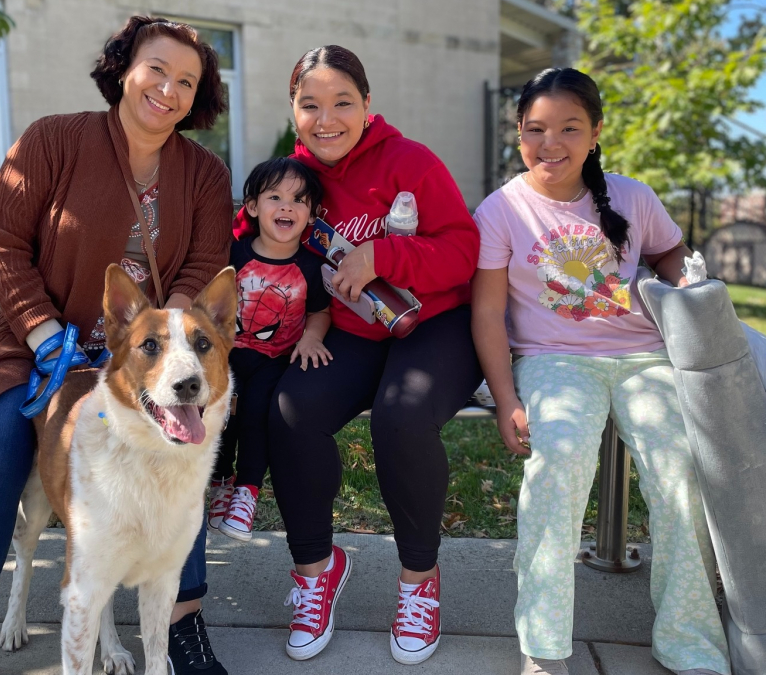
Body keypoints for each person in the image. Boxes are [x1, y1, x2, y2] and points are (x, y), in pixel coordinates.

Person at [0, 17, 233, 675]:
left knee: (180, 437)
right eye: (157, 69)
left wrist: (156, 353)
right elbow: (2, 243)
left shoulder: (204, 173)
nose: (168, 89)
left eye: (186, 81)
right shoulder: (53, 140)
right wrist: (44, 336)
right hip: (31, 346)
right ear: (123, 67)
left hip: (139, 357)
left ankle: (180, 624)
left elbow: (203, 267)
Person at [470, 67, 730, 675]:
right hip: (553, 362)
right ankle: (545, 645)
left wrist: (682, 279)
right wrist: (507, 396)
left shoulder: (633, 196)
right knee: (557, 463)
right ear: (518, 133)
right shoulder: (502, 209)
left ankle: (689, 641)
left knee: (682, 471)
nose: (550, 143)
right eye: (535, 129)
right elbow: (486, 311)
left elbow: (667, 250)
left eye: (569, 127)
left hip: (644, 358)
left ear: (595, 133)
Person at [233, 45, 484, 666]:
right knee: (291, 410)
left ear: (367, 106)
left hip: (436, 324)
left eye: (343, 103)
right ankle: (316, 570)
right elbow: (246, 240)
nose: (327, 119)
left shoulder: (410, 161)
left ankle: (419, 582)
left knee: (403, 417)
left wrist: (385, 258)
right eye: (310, 105)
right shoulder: (291, 181)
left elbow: (463, 249)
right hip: (347, 331)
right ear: (293, 111)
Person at [208, 157, 332, 541]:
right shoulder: (234, 254)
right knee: (220, 413)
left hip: (274, 360)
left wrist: (312, 337)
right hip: (226, 356)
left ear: (311, 213)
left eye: (298, 199)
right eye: (274, 197)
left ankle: (247, 492)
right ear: (251, 206)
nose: (286, 206)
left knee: (257, 413)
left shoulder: (310, 266)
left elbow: (321, 311)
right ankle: (219, 482)